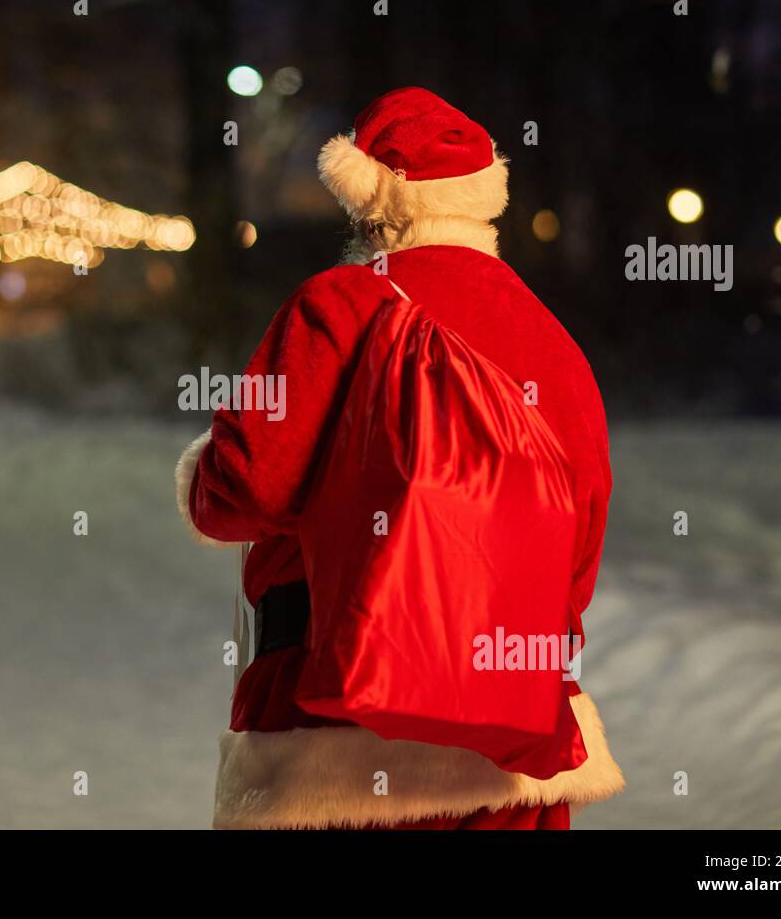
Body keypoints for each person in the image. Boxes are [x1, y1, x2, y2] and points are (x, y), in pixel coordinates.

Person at [177, 87, 624, 830]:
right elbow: (581, 539)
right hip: (516, 725)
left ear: (368, 200)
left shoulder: (339, 304)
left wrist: (204, 467)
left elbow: (247, 487)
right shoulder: (553, 341)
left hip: (335, 719)